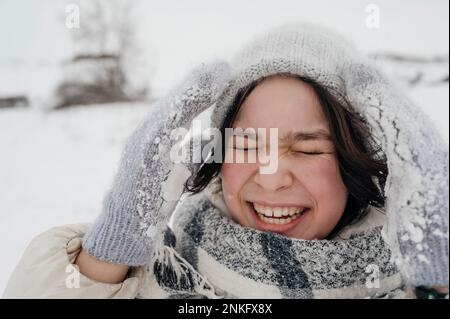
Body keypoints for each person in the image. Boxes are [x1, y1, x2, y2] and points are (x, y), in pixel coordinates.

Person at [3, 23, 448, 299]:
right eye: (248, 146)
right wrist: (105, 258)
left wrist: (436, 284)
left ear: (357, 160)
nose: (271, 179)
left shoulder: (410, 284)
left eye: (309, 149)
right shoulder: (152, 280)